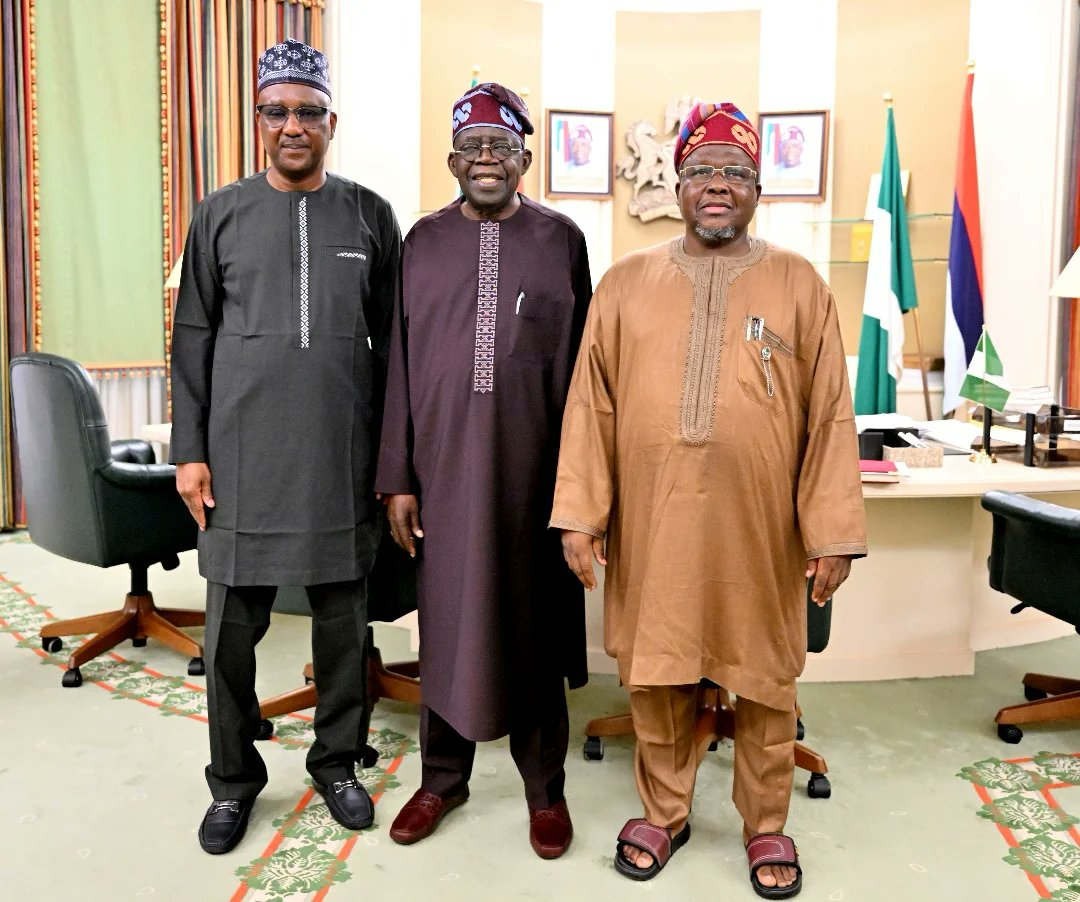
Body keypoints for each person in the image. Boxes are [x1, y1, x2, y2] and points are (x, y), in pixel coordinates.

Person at [551, 102, 866, 897]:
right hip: (655, 523)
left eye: (734, 172)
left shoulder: (799, 283)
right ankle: (665, 811)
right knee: (657, 673)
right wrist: (581, 515)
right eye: (700, 172)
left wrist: (832, 530)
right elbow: (590, 407)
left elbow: (830, 414)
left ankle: (766, 825)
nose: (716, 185)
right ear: (678, 186)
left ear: (758, 188)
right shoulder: (625, 283)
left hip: (760, 533)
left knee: (764, 679)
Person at [170, 39, 402, 855]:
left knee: (343, 629)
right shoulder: (219, 214)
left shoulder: (370, 215)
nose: (293, 126)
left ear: (332, 122)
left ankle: (337, 763)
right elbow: (192, 335)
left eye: (309, 112)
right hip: (240, 459)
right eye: (278, 111)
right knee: (230, 635)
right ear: (258, 120)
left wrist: (393, 461)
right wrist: (189, 450)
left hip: (340, 456)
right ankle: (233, 781)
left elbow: (395, 347)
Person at [376, 82, 592, 860]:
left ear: (525, 159)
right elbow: (398, 363)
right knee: (447, 625)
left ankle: (545, 789)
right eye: (473, 147)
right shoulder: (422, 242)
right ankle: (443, 778)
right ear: (452, 161)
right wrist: (398, 476)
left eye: (502, 146)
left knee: (533, 625)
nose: (487, 159)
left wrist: (582, 489)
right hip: (440, 475)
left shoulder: (561, 240)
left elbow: (586, 375)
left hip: (536, 478)